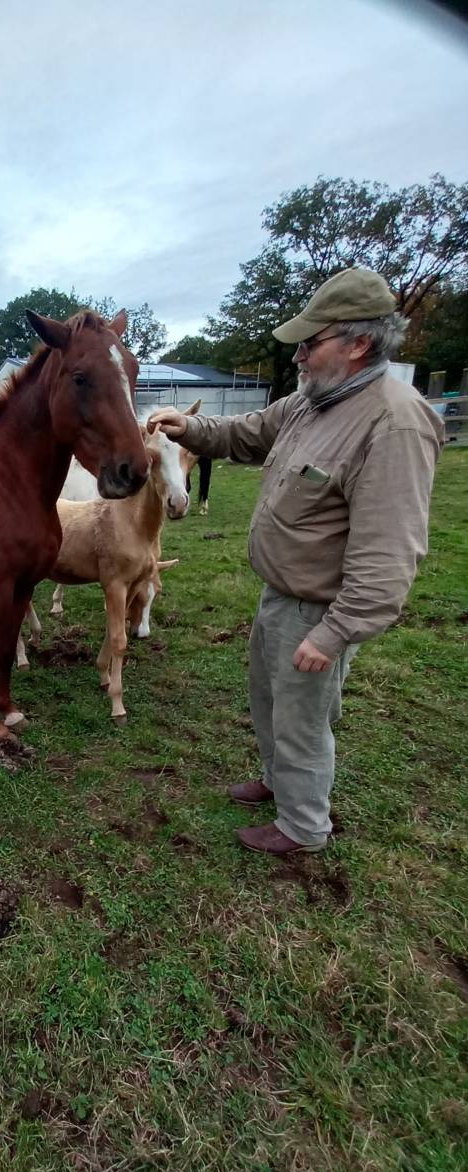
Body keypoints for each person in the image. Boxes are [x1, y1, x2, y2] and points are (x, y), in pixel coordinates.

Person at [149, 267, 442, 855]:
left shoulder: (394, 423)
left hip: (319, 610)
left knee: (304, 720)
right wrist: (192, 427)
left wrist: (336, 633)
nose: (300, 354)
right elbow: (250, 431)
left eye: (312, 342)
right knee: (270, 700)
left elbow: (389, 551)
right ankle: (277, 781)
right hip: (281, 594)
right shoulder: (316, 400)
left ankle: (303, 827)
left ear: (358, 344)